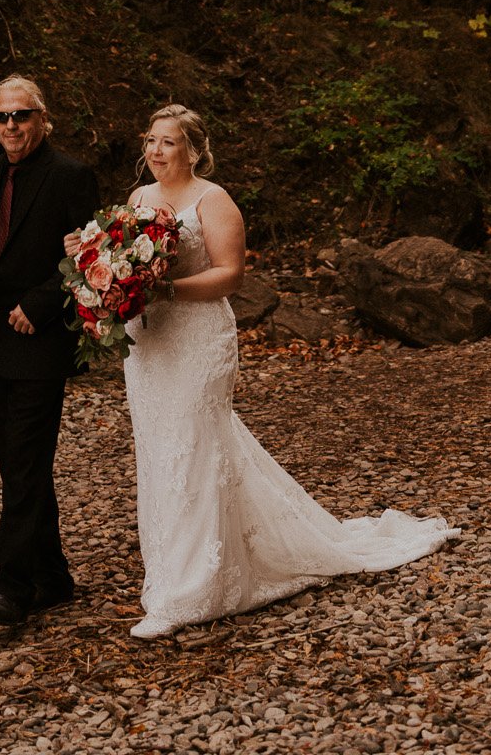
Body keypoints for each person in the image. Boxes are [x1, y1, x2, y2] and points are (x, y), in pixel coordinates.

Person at [110, 103, 458, 640]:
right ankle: (176, 567)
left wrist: (167, 288)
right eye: (150, 141)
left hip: (199, 339)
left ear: (193, 150)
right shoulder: (138, 200)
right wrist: (103, 270)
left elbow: (230, 276)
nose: (154, 151)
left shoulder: (213, 199)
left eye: (168, 143)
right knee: (161, 448)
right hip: (150, 341)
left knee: (195, 445)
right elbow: (124, 263)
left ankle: (192, 589)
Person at [0, 75, 99, 625]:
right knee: (22, 467)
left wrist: (40, 304)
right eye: (2, 117)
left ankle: (13, 588)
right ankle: (53, 577)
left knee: (23, 468)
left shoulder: (70, 175)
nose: (11, 126)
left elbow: (90, 257)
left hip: (41, 344)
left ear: (42, 119)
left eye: (21, 116)